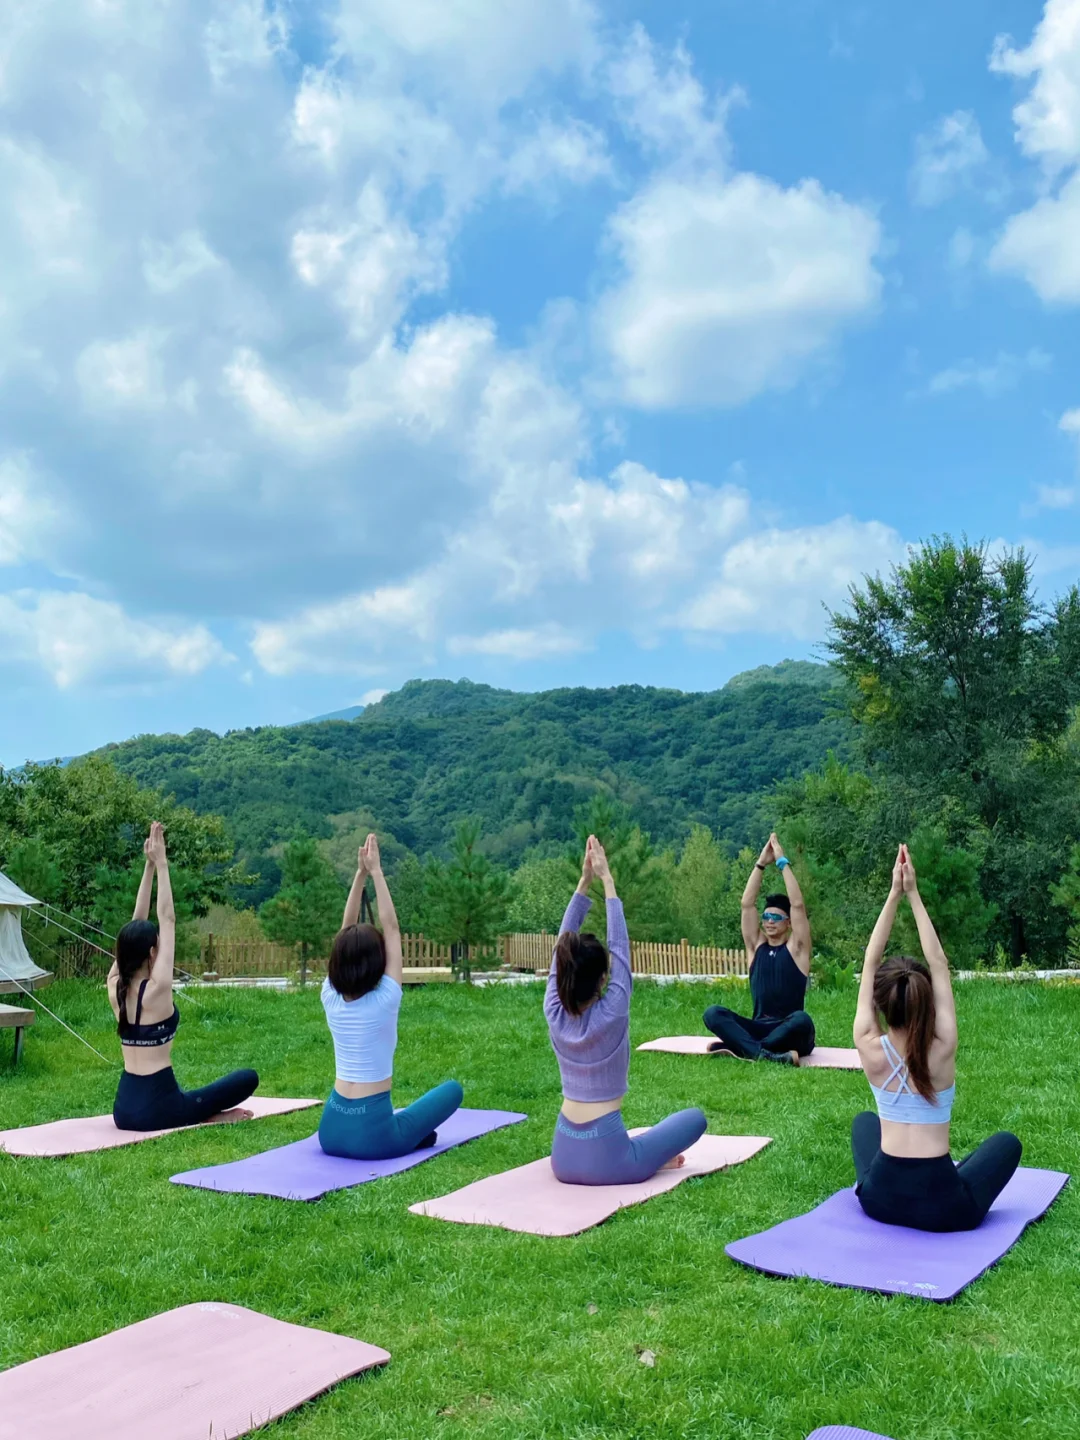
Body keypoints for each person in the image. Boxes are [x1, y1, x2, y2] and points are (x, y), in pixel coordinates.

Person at [851, 844, 1021, 1232]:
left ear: (879, 1002)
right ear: (926, 1000)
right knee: (1007, 1143)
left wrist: (894, 894)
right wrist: (913, 893)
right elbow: (939, 963)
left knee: (864, 1122)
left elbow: (870, 961)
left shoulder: (866, 1041)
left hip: (879, 1200)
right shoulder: (942, 1047)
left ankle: (872, 1181)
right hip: (943, 1208)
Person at [546, 835, 707, 1185]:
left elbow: (563, 949)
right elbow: (619, 946)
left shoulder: (554, 1011)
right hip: (609, 1161)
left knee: (644, 1142)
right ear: (603, 977)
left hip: (563, 1154)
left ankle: (646, 1154)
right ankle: (648, 1157)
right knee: (695, 1119)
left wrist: (583, 884)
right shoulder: (612, 1012)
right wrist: (607, 881)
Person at [317, 832, 463, 1160]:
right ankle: (408, 1135)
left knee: (406, 1121)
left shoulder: (329, 996)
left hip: (330, 1131)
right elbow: (392, 929)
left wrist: (359, 875)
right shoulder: (385, 999)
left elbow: (345, 931)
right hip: (375, 1139)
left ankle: (411, 1134)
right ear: (377, 961)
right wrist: (377, 872)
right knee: (453, 1090)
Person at [109, 822, 259, 1130]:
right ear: (152, 952)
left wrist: (148, 868)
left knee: (191, 1098)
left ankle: (200, 1112)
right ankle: (209, 1116)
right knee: (247, 1079)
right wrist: (161, 863)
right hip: (159, 1110)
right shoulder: (159, 988)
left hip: (123, 1110)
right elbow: (167, 918)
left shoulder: (115, 987)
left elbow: (135, 923)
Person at [702, 833, 814, 1064]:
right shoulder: (756, 946)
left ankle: (746, 1048)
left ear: (788, 923)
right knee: (713, 1013)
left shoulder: (797, 950)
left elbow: (798, 905)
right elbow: (746, 904)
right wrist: (761, 863)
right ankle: (765, 1054)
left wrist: (782, 862)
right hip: (757, 1027)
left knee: (802, 1020)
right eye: (766, 916)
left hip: (790, 1032)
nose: (770, 921)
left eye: (776, 916)